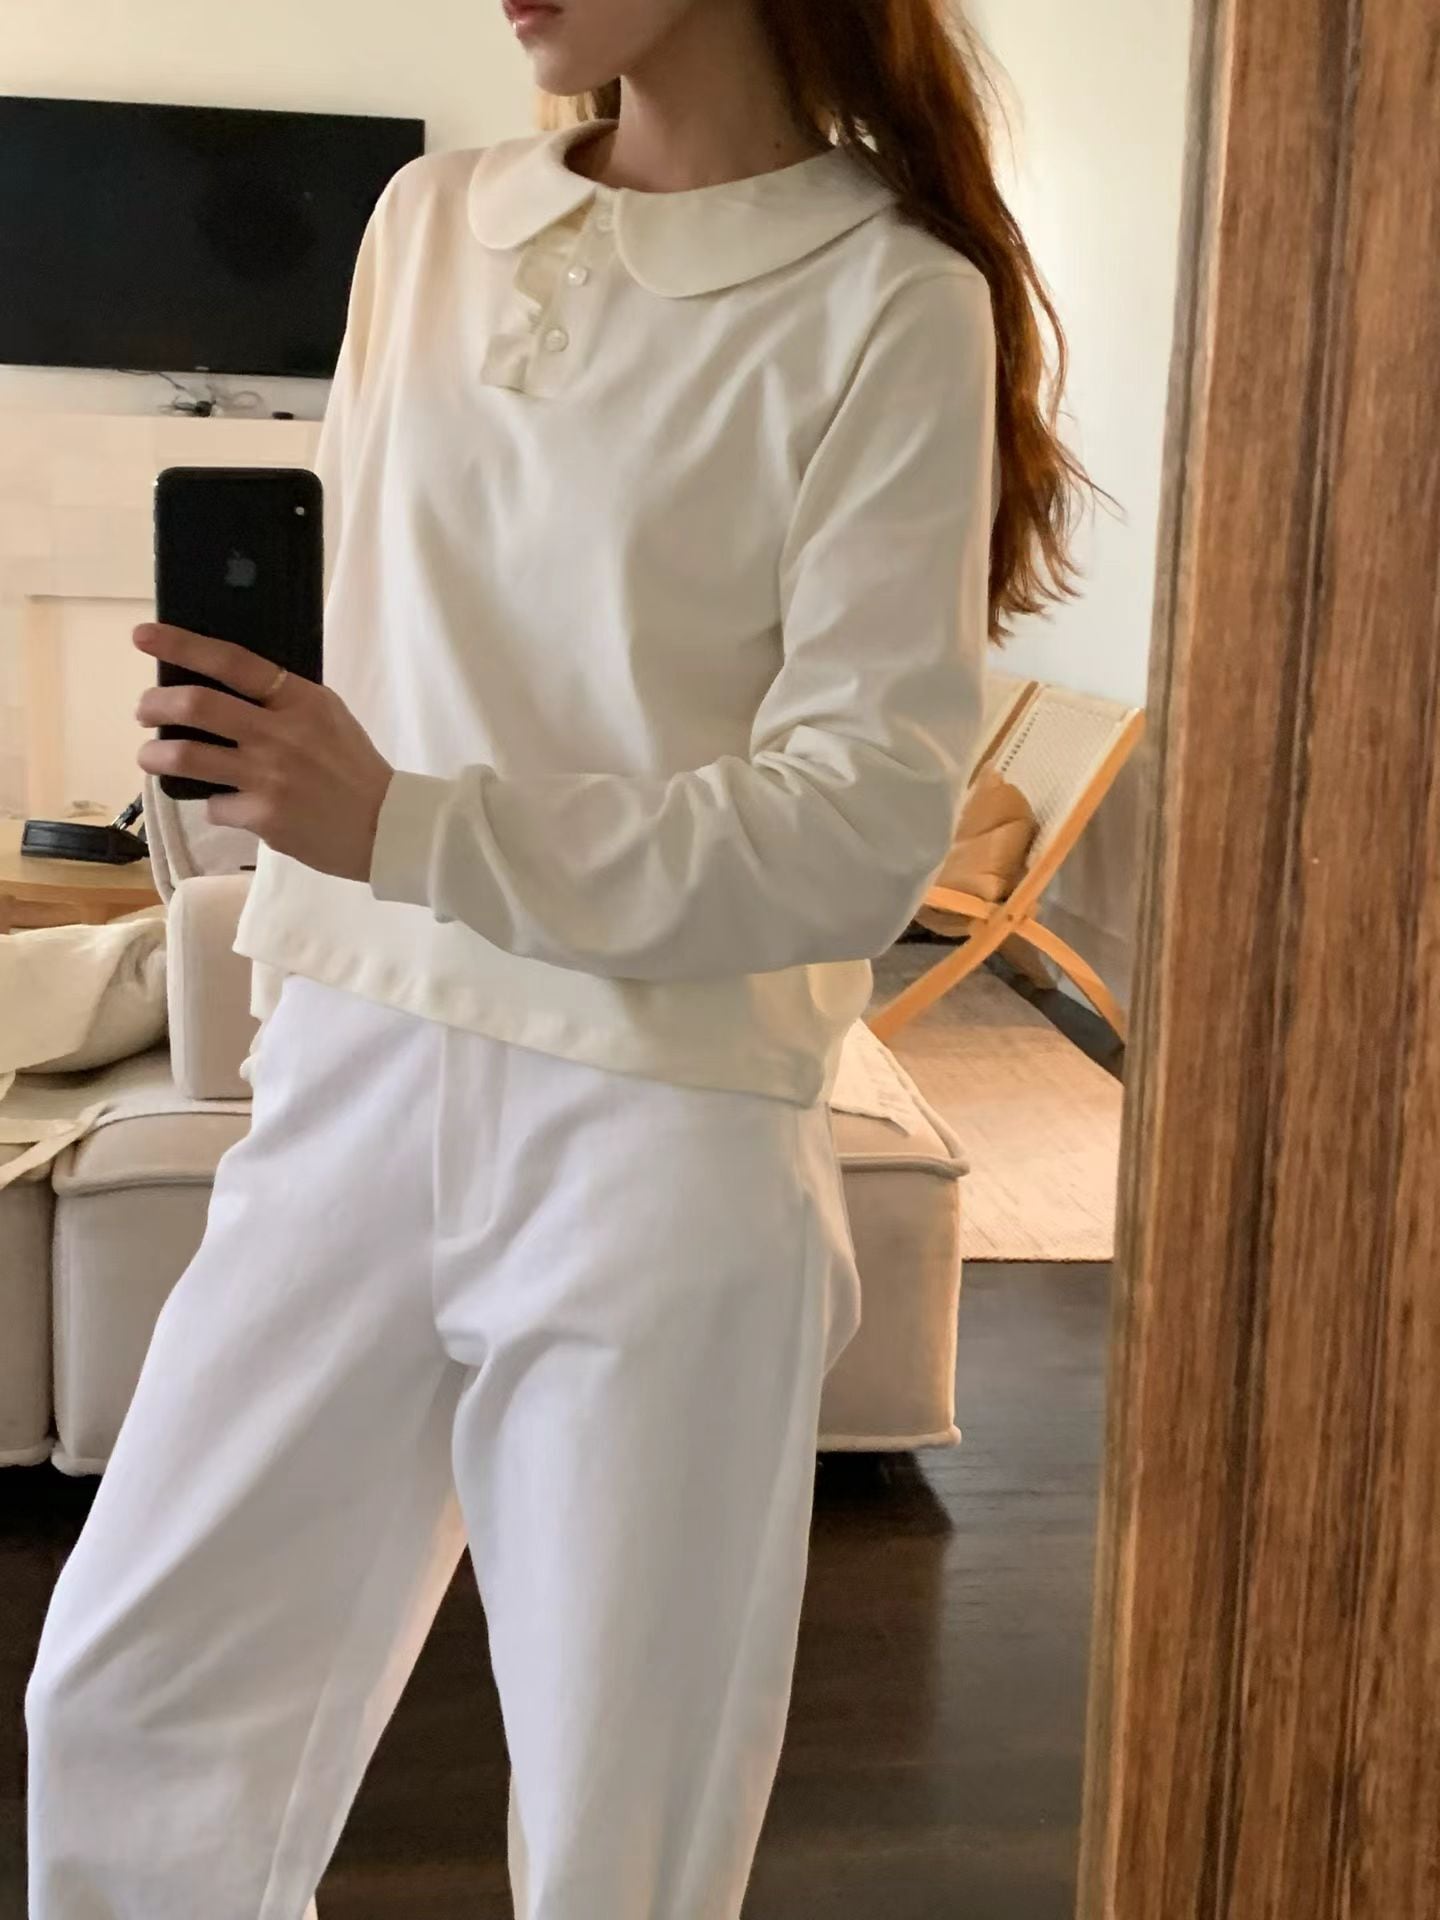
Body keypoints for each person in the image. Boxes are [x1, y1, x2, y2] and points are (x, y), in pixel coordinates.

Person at [26, 1, 1089, 1915]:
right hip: (350, 1068)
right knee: (130, 1709)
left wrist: (406, 822)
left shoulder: (889, 294)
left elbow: (856, 829)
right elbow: (398, 636)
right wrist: (279, 767)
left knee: (623, 1832)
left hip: (664, 1124)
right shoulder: (426, 221)